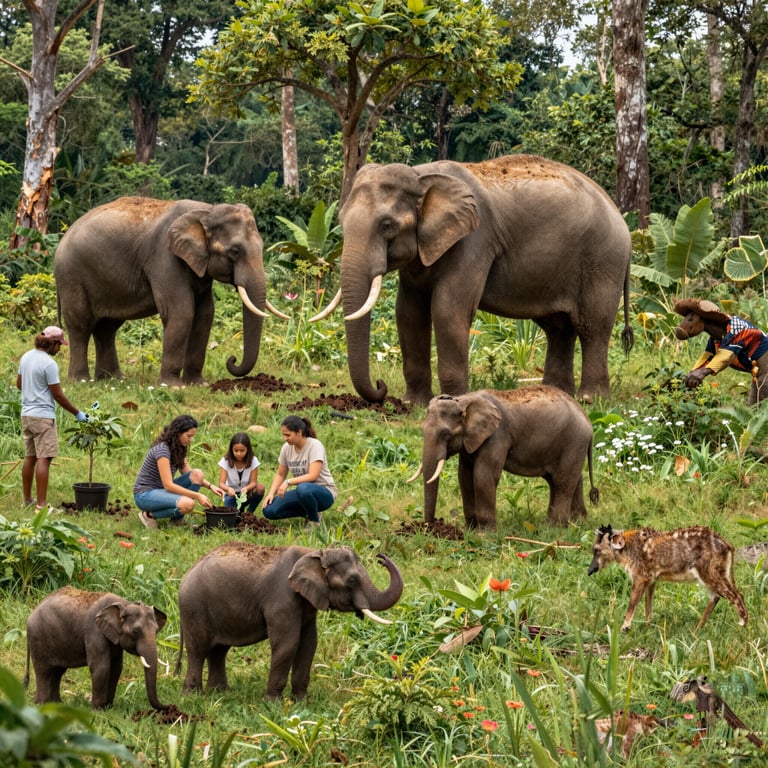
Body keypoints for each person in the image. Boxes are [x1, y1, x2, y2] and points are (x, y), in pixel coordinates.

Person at [17, 326, 88, 511]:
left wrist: (32, 391)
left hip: (26, 414)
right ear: (54, 343)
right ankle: (41, 505)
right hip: (43, 417)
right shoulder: (49, 364)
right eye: (60, 346)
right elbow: (57, 394)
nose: (60, 349)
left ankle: (27, 499)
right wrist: (77, 413)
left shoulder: (26, 357)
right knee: (44, 458)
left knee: (30, 457)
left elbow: (19, 384)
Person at [133, 414, 224, 528]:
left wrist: (211, 486)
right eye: (188, 436)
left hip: (160, 491)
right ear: (178, 433)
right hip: (145, 495)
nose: (191, 440)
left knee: (197, 474)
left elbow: (189, 474)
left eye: (192, 437)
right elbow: (168, 485)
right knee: (188, 504)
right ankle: (149, 515)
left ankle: (176, 521)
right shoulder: (162, 450)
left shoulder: (179, 448)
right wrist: (197, 496)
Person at [674, 298, 768, 405]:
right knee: (753, 408)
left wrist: (702, 373)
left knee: (764, 391)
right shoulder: (716, 338)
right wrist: (692, 373)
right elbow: (708, 357)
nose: (685, 324)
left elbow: (725, 357)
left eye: (691, 320)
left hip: (764, 369)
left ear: (702, 319)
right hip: (759, 373)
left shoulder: (736, 328)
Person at [263, 415, 337, 525]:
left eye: (288, 435)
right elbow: (280, 474)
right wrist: (271, 494)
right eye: (283, 435)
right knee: (269, 510)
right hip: (303, 493)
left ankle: (314, 521)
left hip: (324, 492)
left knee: (303, 488)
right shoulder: (286, 448)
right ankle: (311, 512)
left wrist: (288, 482)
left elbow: (313, 475)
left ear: (299, 432)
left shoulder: (314, 446)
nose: (285, 438)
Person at [217, 432, 265, 515]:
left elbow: (253, 483)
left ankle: (249, 513)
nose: (239, 454)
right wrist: (228, 489)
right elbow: (221, 483)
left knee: (260, 488)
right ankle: (239, 511)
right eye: (236, 450)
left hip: (246, 494)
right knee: (233, 515)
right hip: (231, 495)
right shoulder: (226, 461)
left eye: (242, 451)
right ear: (231, 449)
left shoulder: (253, 460)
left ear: (248, 449)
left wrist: (246, 488)